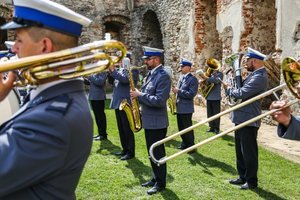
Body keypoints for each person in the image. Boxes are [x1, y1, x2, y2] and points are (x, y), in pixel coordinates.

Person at [0, 0, 93, 199]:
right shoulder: (51, 95)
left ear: (44, 46)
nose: (14, 49)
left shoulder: (53, 118)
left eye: (19, 40)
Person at [224, 47, 268, 190]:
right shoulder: (254, 74)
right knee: (240, 150)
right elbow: (241, 88)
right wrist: (234, 80)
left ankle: (251, 181)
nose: (245, 64)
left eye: (247, 61)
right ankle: (242, 176)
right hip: (241, 116)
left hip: (249, 118)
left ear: (254, 61)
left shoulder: (259, 76)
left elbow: (242, 93)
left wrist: (228, 89)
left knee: (249, 152)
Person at [130, 46, 171, 195]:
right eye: (146, 59)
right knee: (151, 152)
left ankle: (160, 183)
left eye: (147, 59)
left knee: (157, 152)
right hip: (149, 120)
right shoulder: (151, 74)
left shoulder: (163, 76)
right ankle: (155, 177)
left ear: (156, 59)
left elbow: (160, 101)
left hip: (157, 122)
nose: (145, 62)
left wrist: (139, 95)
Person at [109, 55, 135, 161]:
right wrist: (110, 72)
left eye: (120, 60)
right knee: (121, 129)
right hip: (118, 103)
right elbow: (113, 82)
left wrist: (113, 71)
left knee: (127, 129)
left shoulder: (130, 71)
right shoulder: (120, 71)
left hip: (125, 104)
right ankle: (124, 149)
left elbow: (125, 80)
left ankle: (130, 151)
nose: (118, 62)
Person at [172, 58, 198, 152]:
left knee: (187, 128)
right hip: (180, 106)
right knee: (181, 128)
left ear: (188, 67)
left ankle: (191, 147)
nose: (181, 68)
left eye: (182, 66)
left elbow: (191, 94)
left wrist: (178, 91)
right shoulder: (181, 77)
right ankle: (184, 143)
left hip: (186, 108)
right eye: (181, 66)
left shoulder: (193, 79)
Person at [86, 72, 108, 141]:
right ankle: (100, 133)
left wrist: (90, 76)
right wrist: (83, 79)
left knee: (100, 116)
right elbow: (91, 82)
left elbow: (100, 82)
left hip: (99, 97)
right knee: (97, 116)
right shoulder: (95, 73)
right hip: (93, 96)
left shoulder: (103, 71)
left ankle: (103, 134)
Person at [204, 63, 223, 134]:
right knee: (209, 113)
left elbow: (216, 81)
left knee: (216, 114)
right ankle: (211, 127)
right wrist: (203, 80)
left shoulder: (220, 74)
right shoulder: (209, 74)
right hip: (209, 96)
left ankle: (216, 128)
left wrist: (206, 78)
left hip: (216, 97)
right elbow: (206, 82)